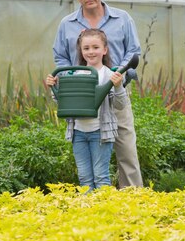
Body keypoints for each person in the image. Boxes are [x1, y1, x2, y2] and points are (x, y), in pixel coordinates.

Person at [53, 0, 143, 188]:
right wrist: (73, 79)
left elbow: (133, 53)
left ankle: (134, 202)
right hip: (83, 97)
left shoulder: (122, 19)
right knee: (88, 154)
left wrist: (116, 76)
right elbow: (60, 57)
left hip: (116, 92)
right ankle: (93, 206)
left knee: (127, 151)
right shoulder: (67, 24)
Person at [46, 29, 127, 191]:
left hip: (101, 133)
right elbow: (63, 102)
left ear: (105, 50)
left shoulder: (110, 75)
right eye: (86, 48)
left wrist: (118, 87)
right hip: (78, 133)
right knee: (84, 177)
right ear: (81, 52)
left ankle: (105, 211)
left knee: (100, 175)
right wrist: (53, 87)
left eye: (95, 47)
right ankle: (88, 214)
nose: (91, 52)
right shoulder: (74, 74)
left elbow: (120, 105)